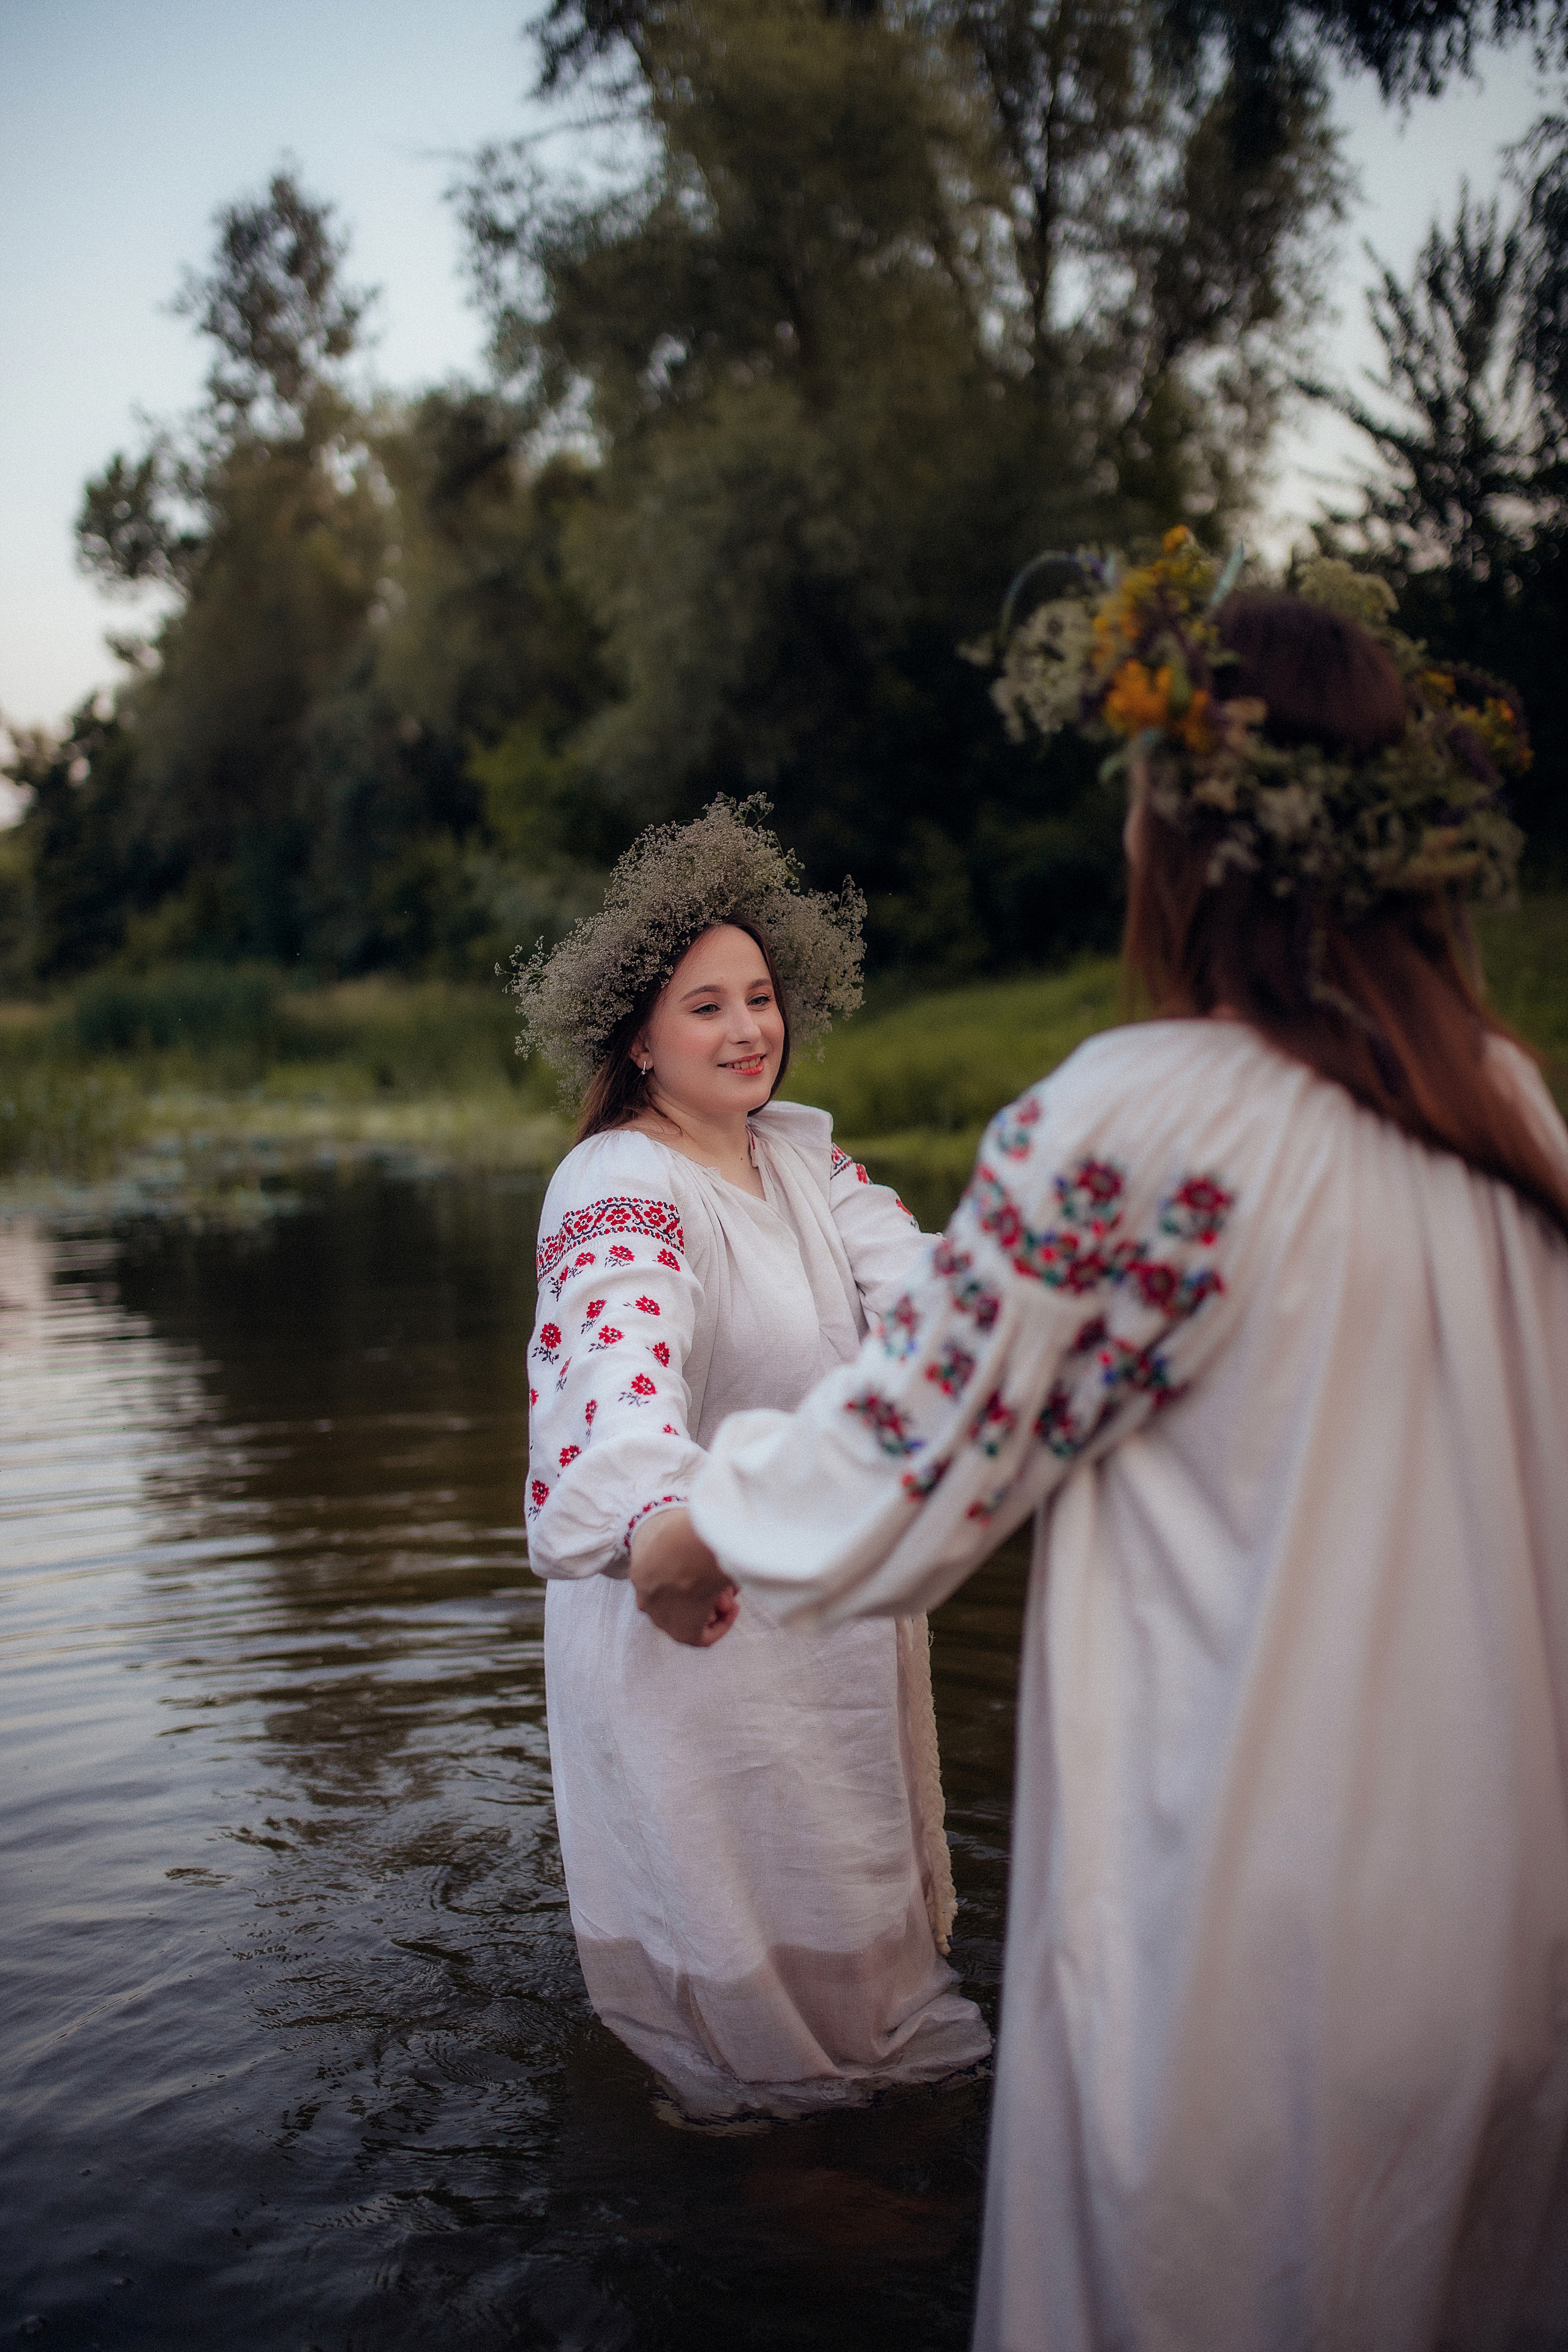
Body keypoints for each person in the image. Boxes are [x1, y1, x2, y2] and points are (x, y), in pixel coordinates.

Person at [630, 548, 1568, 2345]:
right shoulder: (1504, 1102)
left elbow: (916, 1471)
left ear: (1188, 839)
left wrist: (688, 1533)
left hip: (1259, 1946)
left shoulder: (1144, 1125)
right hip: (1508, 1922)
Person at [513, 796, 991, 2124]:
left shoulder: (805, 1162)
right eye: (705, 1006)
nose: (747, 1029)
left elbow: (947, 1307)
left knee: (871, 1982)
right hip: (696, 1640)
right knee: (749, 2038)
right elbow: (616, 1370)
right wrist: (663, 1523)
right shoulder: (617, 1182)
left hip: (823, 1631)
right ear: (639, 1037)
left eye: (761, 996)